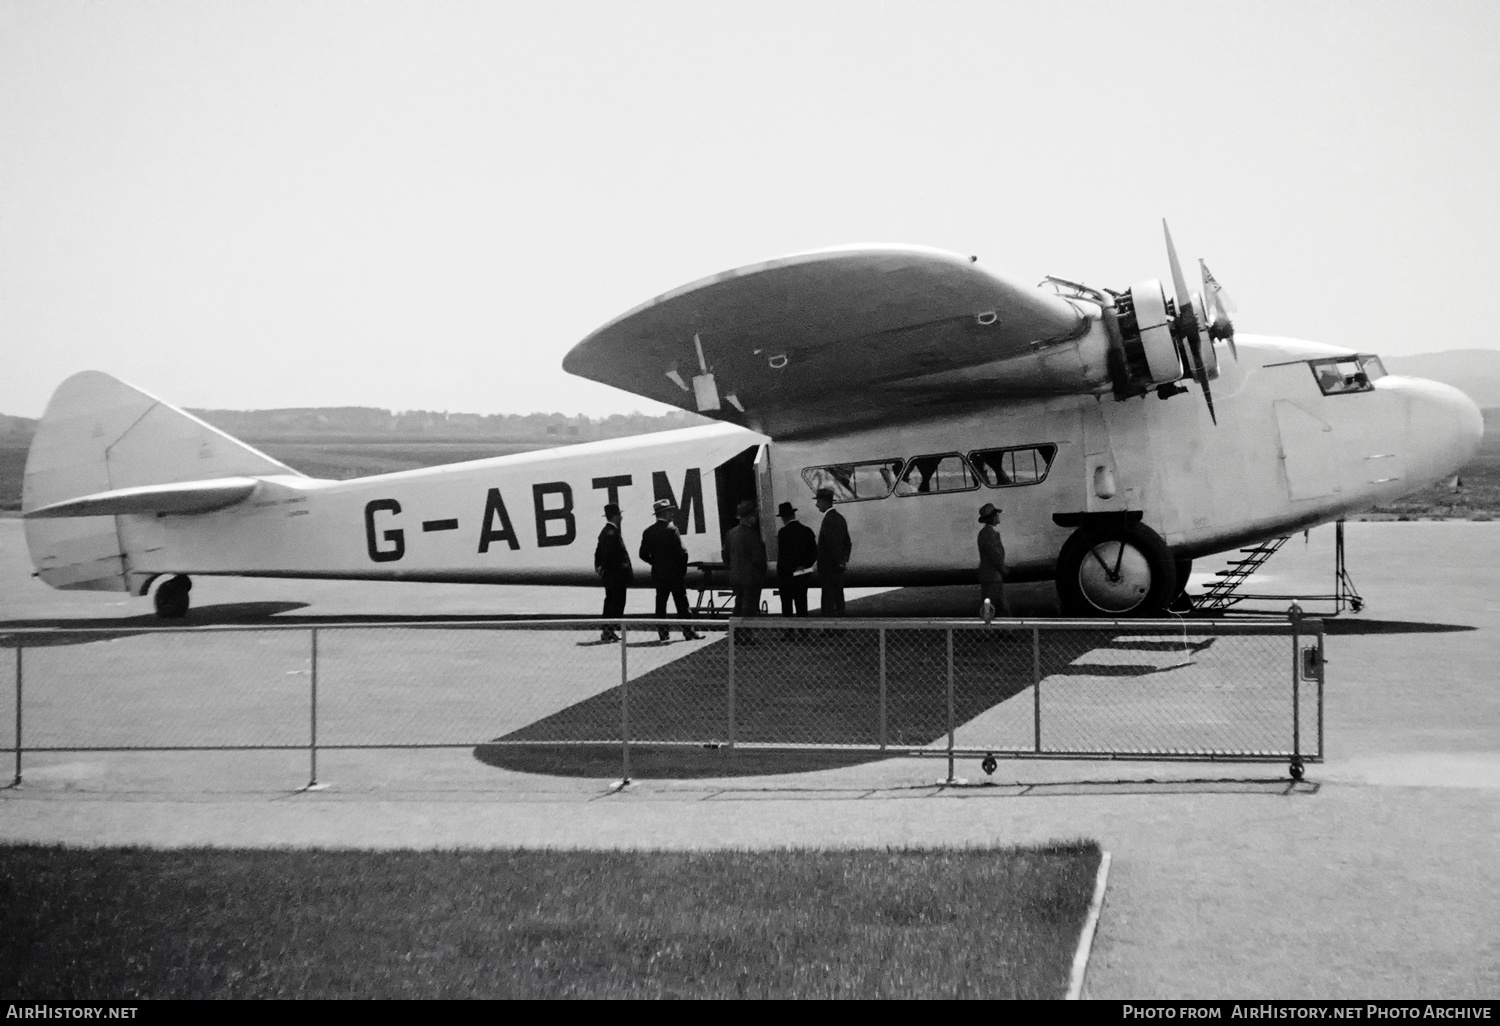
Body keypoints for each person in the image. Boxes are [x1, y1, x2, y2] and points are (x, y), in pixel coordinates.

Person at [639, 498, 701, 642]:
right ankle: (689, 632)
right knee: (682, 604)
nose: (671, 514)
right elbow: (682, 553)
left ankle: (663, 634)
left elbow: (642, 554)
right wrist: (681, 570)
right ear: (665, 513)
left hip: (659, 574)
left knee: (661, 604)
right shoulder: (672, 530)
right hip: (674, 574)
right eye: (670, 512)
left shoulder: (648, 532)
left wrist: (655, 562)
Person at [725, 498, 767, 643]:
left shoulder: (731, 533)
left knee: (738, 606)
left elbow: (726, 556)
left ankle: (736, 634)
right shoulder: (752, 535)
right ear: (749, 516)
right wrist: (762, 573)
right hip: (751, 578)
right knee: (749, 607)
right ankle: (746, 635)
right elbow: (759, 559)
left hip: (736, 576)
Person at [593, 503, 633, 642]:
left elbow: (598, 553)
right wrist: (622, 570)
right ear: (616, 516)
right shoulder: (612, 533)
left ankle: (608, 630)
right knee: (616, 603)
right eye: (619, 515)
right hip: (616, 576)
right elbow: (612, 556)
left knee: (610, 602)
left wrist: (599, 567)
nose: (621, 517)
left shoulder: (605, 532)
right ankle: (609, 631)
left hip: (610, 576)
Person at [774, 501, 817, 618]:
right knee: (802, 603)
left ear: (783, 518)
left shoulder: (783, 533)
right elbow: (814, 553)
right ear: (793, 515)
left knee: (787, 606)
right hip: (803, 574)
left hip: (786, 576)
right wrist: (803, 566)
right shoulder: (807, 531)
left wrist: (786, 571)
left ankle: (789, 633)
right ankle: (803, 631)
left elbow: (783, 556)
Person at [814, 487, 851, 616]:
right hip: (837, 567)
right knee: (838, 597)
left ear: (824, 502)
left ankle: (829, 627)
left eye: (818, 501)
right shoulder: (840, 518)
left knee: (828, 599)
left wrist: (836, 562)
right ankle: (840, 625)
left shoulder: (829, 520)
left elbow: (832, 545)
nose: (817, 504)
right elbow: (847, 543)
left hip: (829, 568)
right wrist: (843, 560)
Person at [976, 502, 1010, 619]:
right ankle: (989, 631)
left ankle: (1001, 631)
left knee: (997, 605)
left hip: (991, 576)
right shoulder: (988, 534)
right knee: (992, 606)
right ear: (993, 518)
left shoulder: (986, 533)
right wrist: (1003, 569)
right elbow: (994, 555)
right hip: (992, 576)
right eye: (997, 515)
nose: (998, 517)